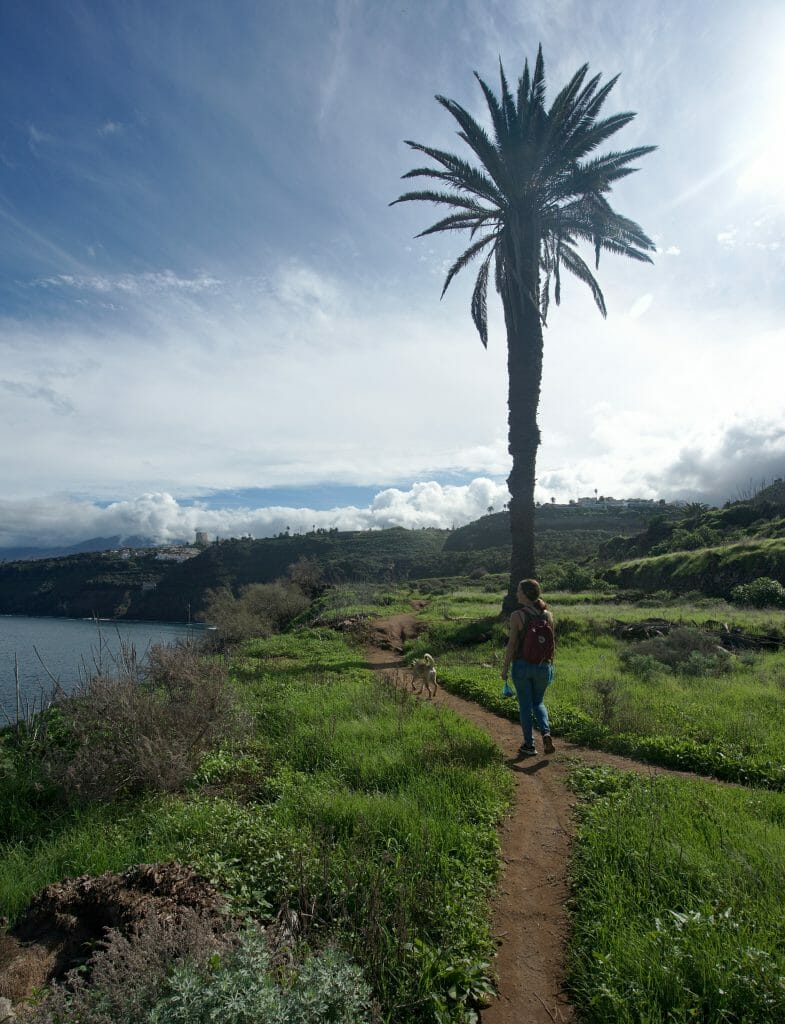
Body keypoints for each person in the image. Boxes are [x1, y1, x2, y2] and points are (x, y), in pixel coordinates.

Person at [501, 579, 556, 757]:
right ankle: (546, 733)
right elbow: (552, 643)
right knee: (538, 702)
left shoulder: (517, 615)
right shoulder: (548, 615)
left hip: (522, 665)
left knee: (525, 706)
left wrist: (505, 667)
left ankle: (529, 745)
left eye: (518, 591)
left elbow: (512, 644)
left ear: (525, 594)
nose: (516, 594)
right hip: (543, 666)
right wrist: (549, 664)